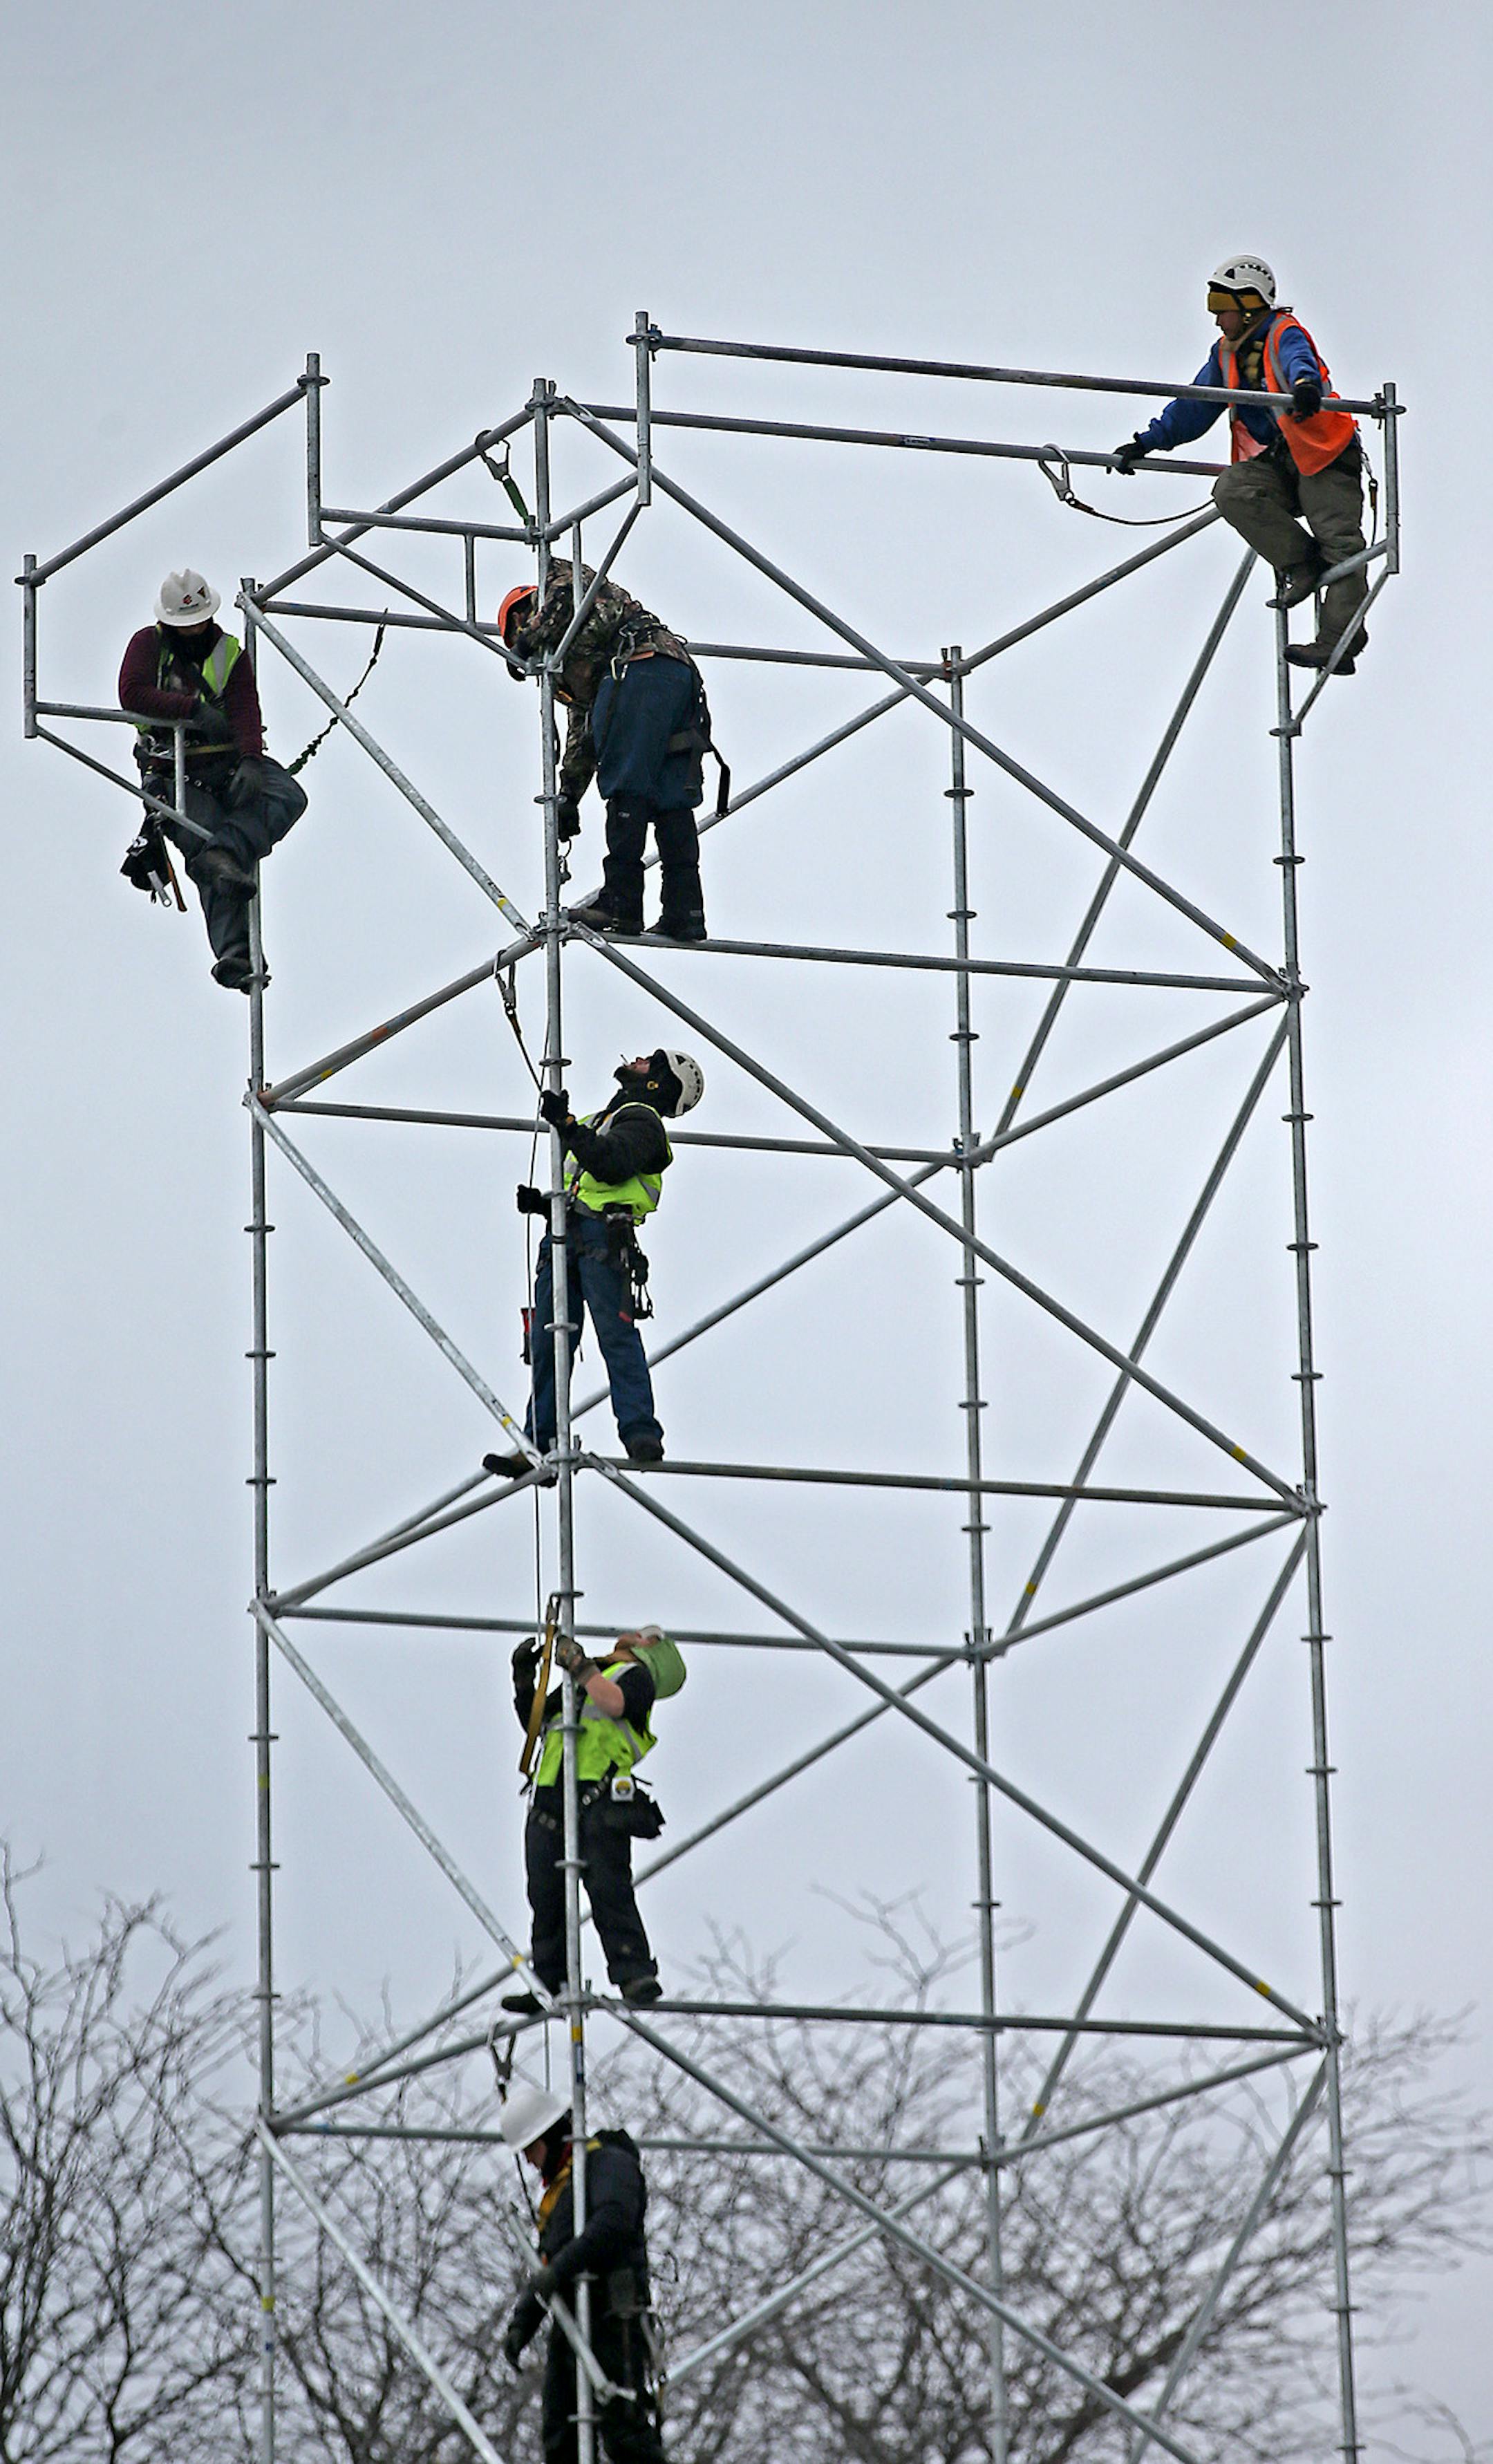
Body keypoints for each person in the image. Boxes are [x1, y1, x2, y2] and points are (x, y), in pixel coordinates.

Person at [1113, 257, 1369, 676]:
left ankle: (1338, 640)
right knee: (1234, 490)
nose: (1216, 317)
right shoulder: (1226, 354)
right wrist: (1149, 442)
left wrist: (1306, 388)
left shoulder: (1283, 332)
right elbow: (1195, 405)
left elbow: (1300, 362)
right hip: (1284, 457)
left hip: (1325, 452)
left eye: (1221, 304)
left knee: (1340, 542)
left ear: (1250, 303)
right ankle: (1303, 565)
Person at [485, 1049, 706, 1472]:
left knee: (616, 1340)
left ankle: (640, 1432)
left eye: (650, 1061)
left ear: (660, 1080)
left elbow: (609, 1165)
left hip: (603, 1238)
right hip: (567, 1236)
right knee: (550, 1343)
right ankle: (540, 1443)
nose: (639, 1059)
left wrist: (566, 1125)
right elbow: (584, 1183)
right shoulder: (600, 1120)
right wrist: (544, 1206)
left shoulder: (643, 1122)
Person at [498, 562, 720, 940]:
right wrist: (569, 793)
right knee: (671, 800)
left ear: (522, 613)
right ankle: (685, 910)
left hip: (639, 670)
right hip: (673, 675)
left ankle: (622, 902)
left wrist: (524, 643)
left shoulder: (555, 580)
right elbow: (584, 731)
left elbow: (567, 596)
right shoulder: (584, 660)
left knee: (626, 785)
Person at [118, 570, 306, 988]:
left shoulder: (229, 653)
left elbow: (245, 709)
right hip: (173, 771)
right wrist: (192, 710)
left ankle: (223, 853)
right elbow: (132, 693)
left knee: (286, 797)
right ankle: (236, 954)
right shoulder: (149, 645)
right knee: (205, 839)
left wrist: (252, 761)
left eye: (199, 620)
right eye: (185, 623)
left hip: (225, 763)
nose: (195, 629)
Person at [503, 1625, 686, 2014]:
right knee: (545, 1894)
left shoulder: (635, 1679)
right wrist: (524, 1680)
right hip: (552, 1794)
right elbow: (536, 1725)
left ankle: (634, 1972)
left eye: (646, 1634)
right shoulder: (586, 1681)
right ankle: (548, 1982)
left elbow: (615, 1704)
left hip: (598, 1795)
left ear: (653, 1652)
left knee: (608, 1886)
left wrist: (581, 1668)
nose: (635, 1633)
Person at [500, 2084, 668, 2464]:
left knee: (624, 2429)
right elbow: (549, 2267)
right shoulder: (560, 2194)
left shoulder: (608, 2164)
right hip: (572, 2322)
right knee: (561, 2435)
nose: (528, 2161)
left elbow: (613, 2223)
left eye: (531, 2149)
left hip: (614, 2318)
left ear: (551, 2136)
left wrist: (558, 2271)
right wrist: (522, 2324)